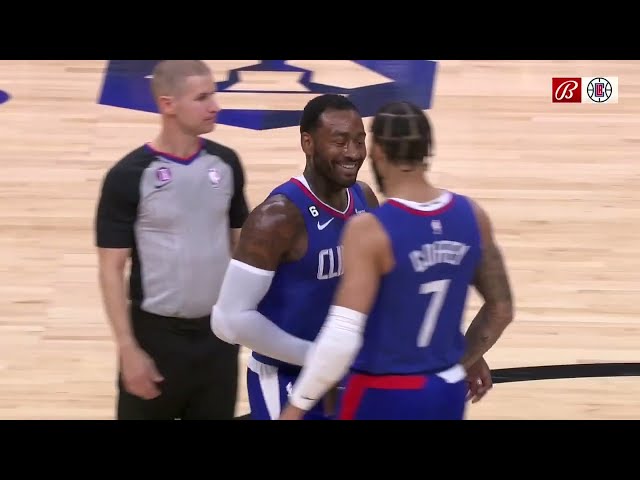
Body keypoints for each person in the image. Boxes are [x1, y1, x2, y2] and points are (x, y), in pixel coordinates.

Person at [278, 100, 515, 420]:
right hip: (445, 390)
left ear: (377, 152)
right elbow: (501, 309)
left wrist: (297, 406)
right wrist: (460, 360)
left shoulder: (370, 229)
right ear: (427, 149)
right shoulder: (473, 216)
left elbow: (341, 336)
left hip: (383, 393)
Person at [95, 60, 250, 420]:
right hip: (156, 340)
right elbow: (110, 269)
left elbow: (243, 248)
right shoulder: (128, 176)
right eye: (202, 98)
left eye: (213, 95)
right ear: (168, 104)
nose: (215, 106)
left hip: (217, 340)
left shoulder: (226, 163)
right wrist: (127, 349)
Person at [210, 94, 380, 420]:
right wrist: (316, 356)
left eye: (359, 141)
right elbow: (227, 320)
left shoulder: (364, 199)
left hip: (348, 375)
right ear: (308, 143)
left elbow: (385, 285)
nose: (354, 152)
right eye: (340, 142)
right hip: (285, 378)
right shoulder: (277, 217)